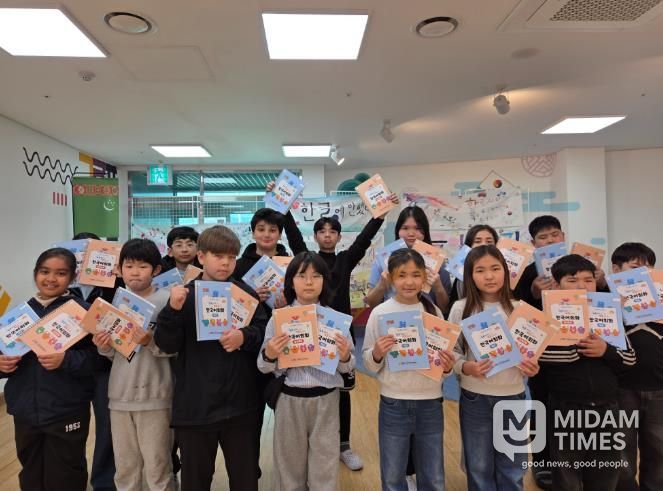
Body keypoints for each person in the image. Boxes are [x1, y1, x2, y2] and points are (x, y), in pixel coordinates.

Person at [277, 182, 399, 470]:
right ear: (316, 236)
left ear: (339, 236)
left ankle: (343, 445)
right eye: (322, 231)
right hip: (308, 332)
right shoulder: (308, 261)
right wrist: (283, 206)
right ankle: (312, 444)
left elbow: (364, 241)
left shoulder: (345, 260)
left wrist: (380, 215)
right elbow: (293, 236)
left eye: (332, 231)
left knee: (343, 391)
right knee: (312, 387)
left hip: (339, 334)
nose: (327, 235)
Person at [154, 225, 268, 490]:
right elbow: (166, 344)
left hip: (241, 405)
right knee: (195, 480)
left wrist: (244, 336)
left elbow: (264, 331)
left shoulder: (245, 295)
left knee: (245, 478)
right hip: (196, 407)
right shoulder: (184, 295)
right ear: (201, 257)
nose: (226, 263)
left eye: (231, 257)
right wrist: (172, 310)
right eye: (218, 256)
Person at [0, 248, 100, 490]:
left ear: (72, 277)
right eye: (45, 271)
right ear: (35, 273)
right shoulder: (18, 315)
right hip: (25, 409)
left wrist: (66, 359)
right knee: (30, 466)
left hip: (66, 409)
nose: (51, 279)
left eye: (61, 273)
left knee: (67, 469)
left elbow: (100, 359)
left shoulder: (83, 312)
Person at [258, 251, 355, 490]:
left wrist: (344, 356)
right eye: (302, 275)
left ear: (325, 281)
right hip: (289, 399)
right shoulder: (279, 319)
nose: (309, 282)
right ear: (291, 281)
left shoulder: (336, 320)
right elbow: (262, 365)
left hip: (327, 400)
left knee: (325, 464)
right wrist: (270, 353)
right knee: (289, 466)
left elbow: (349, 366)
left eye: (316, 276)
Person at [539, 254, 636, 490]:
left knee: (605, 475)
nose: (582, 286)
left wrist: (605, 350)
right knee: (567, 477)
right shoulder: (547, 318)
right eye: (572, 281)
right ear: (556, 285)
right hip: (566, 408)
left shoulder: (608, 314)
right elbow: (541, 358)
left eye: (588, 280)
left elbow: (630, 359)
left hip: (608, 408)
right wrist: (576, 346)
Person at [363, 248, 455, 490]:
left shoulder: (432, 311)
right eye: (402, 275)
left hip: (431, 401)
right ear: (390, 278)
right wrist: (377, 353)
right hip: (394, 401)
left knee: (433, 475)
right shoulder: (380, 313)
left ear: (424, 277)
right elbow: (368, 363)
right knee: (393, 475)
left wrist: (447, 367)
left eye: (416, 275)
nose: (409, 281)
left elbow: (444, 361)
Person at [450, 245, 539, 491]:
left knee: (513, 466)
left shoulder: (520, 310)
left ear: (506, 271)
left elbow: (532, 355)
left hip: (513, 395)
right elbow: (451, 352)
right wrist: (466, 367)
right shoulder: (461, 308)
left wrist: (533, 367)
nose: (489, 276)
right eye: (480, 270)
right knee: (479, 466)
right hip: (475, 397)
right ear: (470, 276)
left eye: (495, 268)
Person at [92, 239, 175, 491]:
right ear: (119, 270)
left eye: (142, 266)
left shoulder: (167, 302)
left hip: (155, 396)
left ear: (156, 270)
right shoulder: (115, 304)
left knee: (158, 467)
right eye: (129, 266)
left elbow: (175, 348)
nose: (135, 272)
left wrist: (150, 341)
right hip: (119, 395)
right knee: (125, 467)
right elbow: (112, 354)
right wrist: (103, 345)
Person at [611, 242, 660, 491]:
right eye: (635, 267)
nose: (643, 273)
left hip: (659, 387)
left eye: (648, 268)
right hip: (621, 388)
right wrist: (617, 308)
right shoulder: (604, 300)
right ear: (616, 270)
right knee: (621, 452)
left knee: (659, 450)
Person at [366, 206, 452, 313]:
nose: (411, 233)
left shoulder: (437, 260)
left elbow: (445, 308)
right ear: (398, 230)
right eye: (405, 228)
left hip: (427, 318)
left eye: (417, 228)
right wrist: (382, 285)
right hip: (392, 318)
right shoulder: (383, 259)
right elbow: (371, 304)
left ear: (425, 231)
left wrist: (438, 287)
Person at [447, 224, 499, 308]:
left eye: (489, 241)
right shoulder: (461, 276)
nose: (483, 244)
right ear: (469, 247)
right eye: (477, 241)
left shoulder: (504, 271)